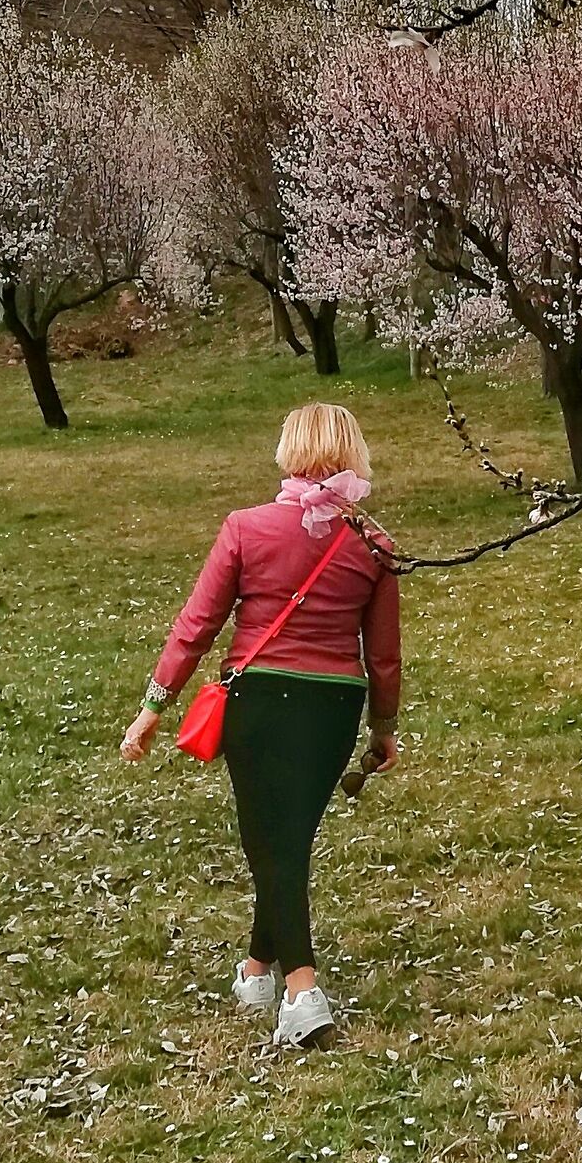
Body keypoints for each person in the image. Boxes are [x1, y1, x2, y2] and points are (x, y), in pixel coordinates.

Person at [121, 402, 401, 1046]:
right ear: (352, 452)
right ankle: (256, 970)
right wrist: (383, 726)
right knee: (288, 841)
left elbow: (197, 625)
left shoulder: (245, 528)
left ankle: (301, 988)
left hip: (259, 698)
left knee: (271, 842)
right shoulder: (375, 544)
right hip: (334, 706)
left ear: (288, 448)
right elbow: (383, 652)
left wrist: (152, 709)